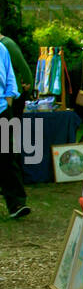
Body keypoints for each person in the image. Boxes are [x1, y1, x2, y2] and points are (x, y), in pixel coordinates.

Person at [0, 38, 29, 219]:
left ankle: (16, 203)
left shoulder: (2, 48)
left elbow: (10, 74)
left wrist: (10, 97)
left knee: (7, 154)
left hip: (2, 109)